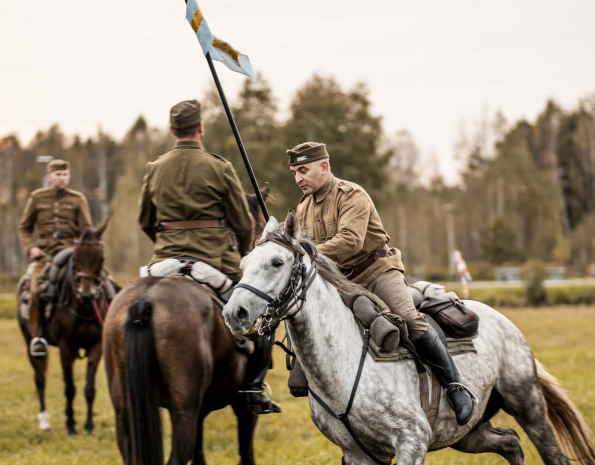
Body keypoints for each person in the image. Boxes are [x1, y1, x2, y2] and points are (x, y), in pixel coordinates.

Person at [289, 141, 477, 425]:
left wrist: (305, 251)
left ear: (324, 167)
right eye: (294, 172)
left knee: (408, 319)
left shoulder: (351, 195)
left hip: (377, 270)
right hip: (341, 280)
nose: (298, 178)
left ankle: (456, 387)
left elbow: (350, 241)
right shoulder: (302, 208)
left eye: (303, 170)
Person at [138, 99, 279, 414]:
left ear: (173, 130)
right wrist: (242, 254)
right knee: (256, 318)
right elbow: (243, 222)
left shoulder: (154, 168)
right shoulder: (219, 167)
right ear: (200, 128)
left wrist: (165, 242)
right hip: (212, 262)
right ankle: (252, 388)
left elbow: (145, 220)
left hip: (162, 263)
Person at [18, 159, 93, 356]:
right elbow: (24, 228)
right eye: (58, 175)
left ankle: (106, 326)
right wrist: (31, 248)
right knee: (35, 290)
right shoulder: (37, 197)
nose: (62, 178)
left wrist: (82, 247)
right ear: (49, 177)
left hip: (72, 252)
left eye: (65, 175)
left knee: (102, 283)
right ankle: (37, 337)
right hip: (45, 254)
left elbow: (86, 230)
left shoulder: (78, 199)